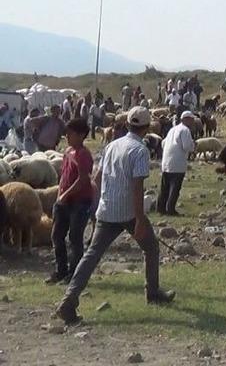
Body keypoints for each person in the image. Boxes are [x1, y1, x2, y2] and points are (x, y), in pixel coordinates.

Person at [55, 107, 175, 325]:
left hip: (106, 209)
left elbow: (97, 178)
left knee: (91, 256)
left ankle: (69, 300)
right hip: (129, 211)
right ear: (147, 128)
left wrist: (96, 205)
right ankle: (153, 292)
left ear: (127, 124)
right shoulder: (140, 150)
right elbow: (137, 186)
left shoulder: (111, 145)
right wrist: (139, 219)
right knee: (151, 248)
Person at [45, 118, 94, 285]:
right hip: (63, 201)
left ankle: (74, 274)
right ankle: (61, 270)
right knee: (57, 236)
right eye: (67, 133)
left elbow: (83, 180)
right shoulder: (68, 152)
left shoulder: (83, 154)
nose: (67, 136)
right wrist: (60, 192)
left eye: (71, 133)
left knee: (75, 238)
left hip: (79, 202)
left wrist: (65, 194)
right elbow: (64, 175)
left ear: (81, 135)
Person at [157, 111, 196, 216]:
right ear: (186, 119)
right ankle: (170, 209)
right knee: (175, 187)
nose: (193, 121)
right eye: (191, 119)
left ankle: (160, 208)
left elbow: (163, 143)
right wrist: (193, 146)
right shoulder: (185, 130)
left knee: (165, 187)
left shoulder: (172, 129)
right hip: (177, 163)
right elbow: (187, 146)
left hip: (166, 161)